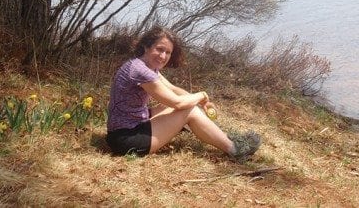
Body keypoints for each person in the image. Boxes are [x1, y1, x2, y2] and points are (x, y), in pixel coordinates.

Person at [105, 26, 260, 161]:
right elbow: (177, 102)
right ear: (146, 47)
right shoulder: (141, 71)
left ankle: (220, 136)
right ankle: (234, 149)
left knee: (181, 106)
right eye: (159, 49)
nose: (163, 56)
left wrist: (201, 103)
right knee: (188, 110)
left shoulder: (144, 65)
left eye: (168, 52)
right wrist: (202, 95)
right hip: (126, 140)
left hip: (128, 126)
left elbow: (174, 89)